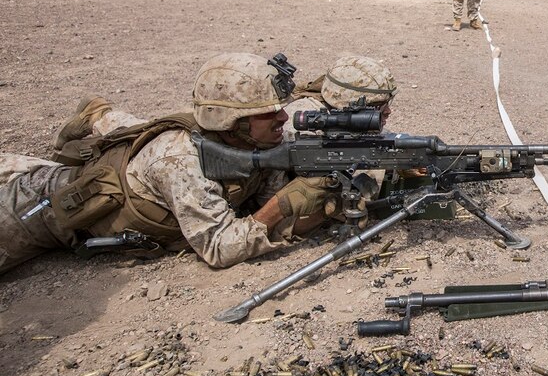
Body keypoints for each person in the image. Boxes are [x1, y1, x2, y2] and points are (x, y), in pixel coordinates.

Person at [0, 53, 338, 274]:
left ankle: (100, 116)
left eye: (280, 108)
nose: (283, 118)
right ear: (231, 121)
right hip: (42, 207)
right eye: (267, 113)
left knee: (138, 137)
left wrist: (323, 199)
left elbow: (261, 211)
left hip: (139, 170)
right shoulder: (180, 161)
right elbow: (218, 247)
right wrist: (282, 205)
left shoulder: (261, 140)